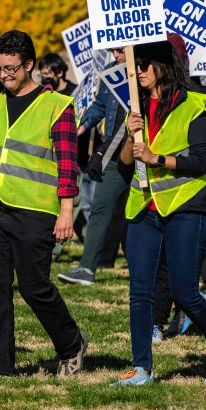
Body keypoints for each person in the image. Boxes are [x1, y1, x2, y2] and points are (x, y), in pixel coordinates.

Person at [0, 30, 88, 376]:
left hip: (36, 210)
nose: (4, 75)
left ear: (30, 65)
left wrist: (66, 211)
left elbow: (68, 163)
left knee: (35, 287)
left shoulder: (57, 106)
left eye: (11, 68)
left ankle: (71, 343)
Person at [111, 39, 206, 387]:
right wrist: (130, 141)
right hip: (144, 208)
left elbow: (202, 163)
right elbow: (122, 169)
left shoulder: (194, 105)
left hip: (185, 206)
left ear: (164, 65)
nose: (137, 70)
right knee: (140, 292)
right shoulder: (134, 105)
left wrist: (156, 159)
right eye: (136, 64)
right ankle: (141, 369)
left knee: (184, 291)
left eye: (144, 63)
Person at [57, 47, 132, 287]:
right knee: (100, 208)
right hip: (111, 152)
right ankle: (87, 268)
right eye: (113, 50)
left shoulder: (147, 72)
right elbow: (100, 106)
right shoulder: (110, 72)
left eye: (119, 50)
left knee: (139, 215)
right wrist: (82, 125)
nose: (115, 55)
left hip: (142, 152)